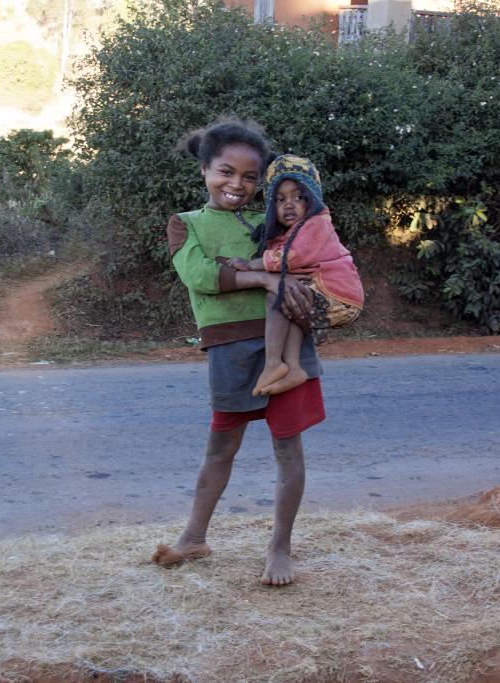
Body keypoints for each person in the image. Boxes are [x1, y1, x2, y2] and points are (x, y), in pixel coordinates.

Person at [151, 118, 323, 587]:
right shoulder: (185, 225)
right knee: (220, 447)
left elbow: (313, 255)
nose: (237, 185)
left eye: (250, 177)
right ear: (204, 169)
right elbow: (201, 277)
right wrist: (266, 277)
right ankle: (192, 538)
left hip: (288, 349)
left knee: (289, 449)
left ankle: (280, 549)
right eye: (226, 172)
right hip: (229, 349)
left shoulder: (274, 219)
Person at [224, 154, 364, 397]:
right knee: (289, 299)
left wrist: (251, 264)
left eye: (298, 197)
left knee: (276, 295)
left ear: (313, 199)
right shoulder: (290, 232)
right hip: (325, 291)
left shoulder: (317, 224)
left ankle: (273, 363)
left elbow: (290, 258)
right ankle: (293, 368)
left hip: (337, 295)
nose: (289, 204)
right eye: (280, 199)